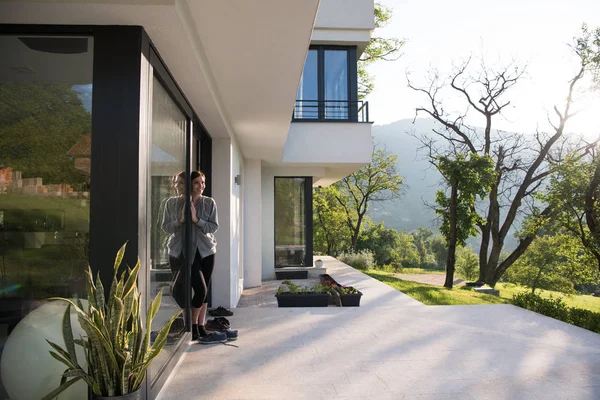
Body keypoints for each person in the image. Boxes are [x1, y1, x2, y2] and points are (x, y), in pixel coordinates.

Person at [162, 170, 232, 344]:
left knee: (204, 290)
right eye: (197, 183)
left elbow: (213, 227)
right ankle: (191, 326)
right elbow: (165, 227)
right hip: (180, 252)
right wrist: (180, 221)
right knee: (181, 290)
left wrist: (195, 219)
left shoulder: (209, 203)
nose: (201, 186)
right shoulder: (171, 203)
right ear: (190, 185)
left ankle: (199, 327)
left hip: (206, 251)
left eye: (203, 183)